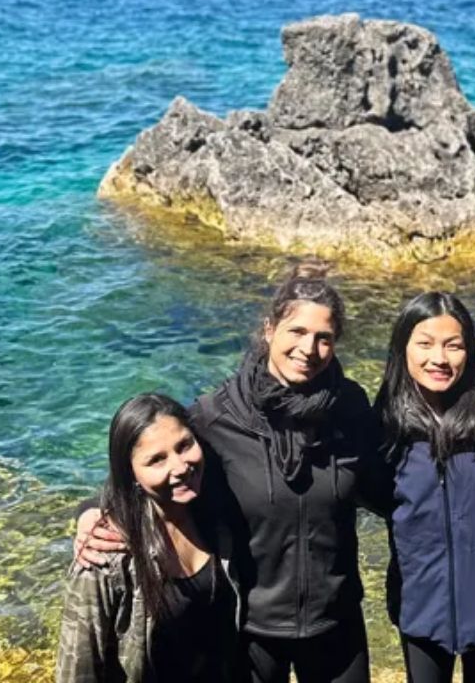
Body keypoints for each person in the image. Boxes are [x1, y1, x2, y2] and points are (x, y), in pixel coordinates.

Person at [75, 264, 391, 683]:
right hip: (251, 627)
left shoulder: (349, 406)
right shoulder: (217, 416)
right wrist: (91, 511)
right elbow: (155, 459)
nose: (308, 349)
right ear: (269, 330)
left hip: (336, 620)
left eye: (323, 338)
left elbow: (380, 483)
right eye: (296, 332)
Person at [374, 292, 475, 683]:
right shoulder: (385, 421)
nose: (440, 359)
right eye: (425, 344)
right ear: (403, 348)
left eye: (453, 345)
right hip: (421, 594)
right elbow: (366, 489)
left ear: (470, 349)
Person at [56, 393, 242, 683]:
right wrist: (88, 512)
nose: (180, 467)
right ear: (130, 474)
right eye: (156, 460)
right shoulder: (106, 554)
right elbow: (78, 669)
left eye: (185, 445)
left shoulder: (216, 511)